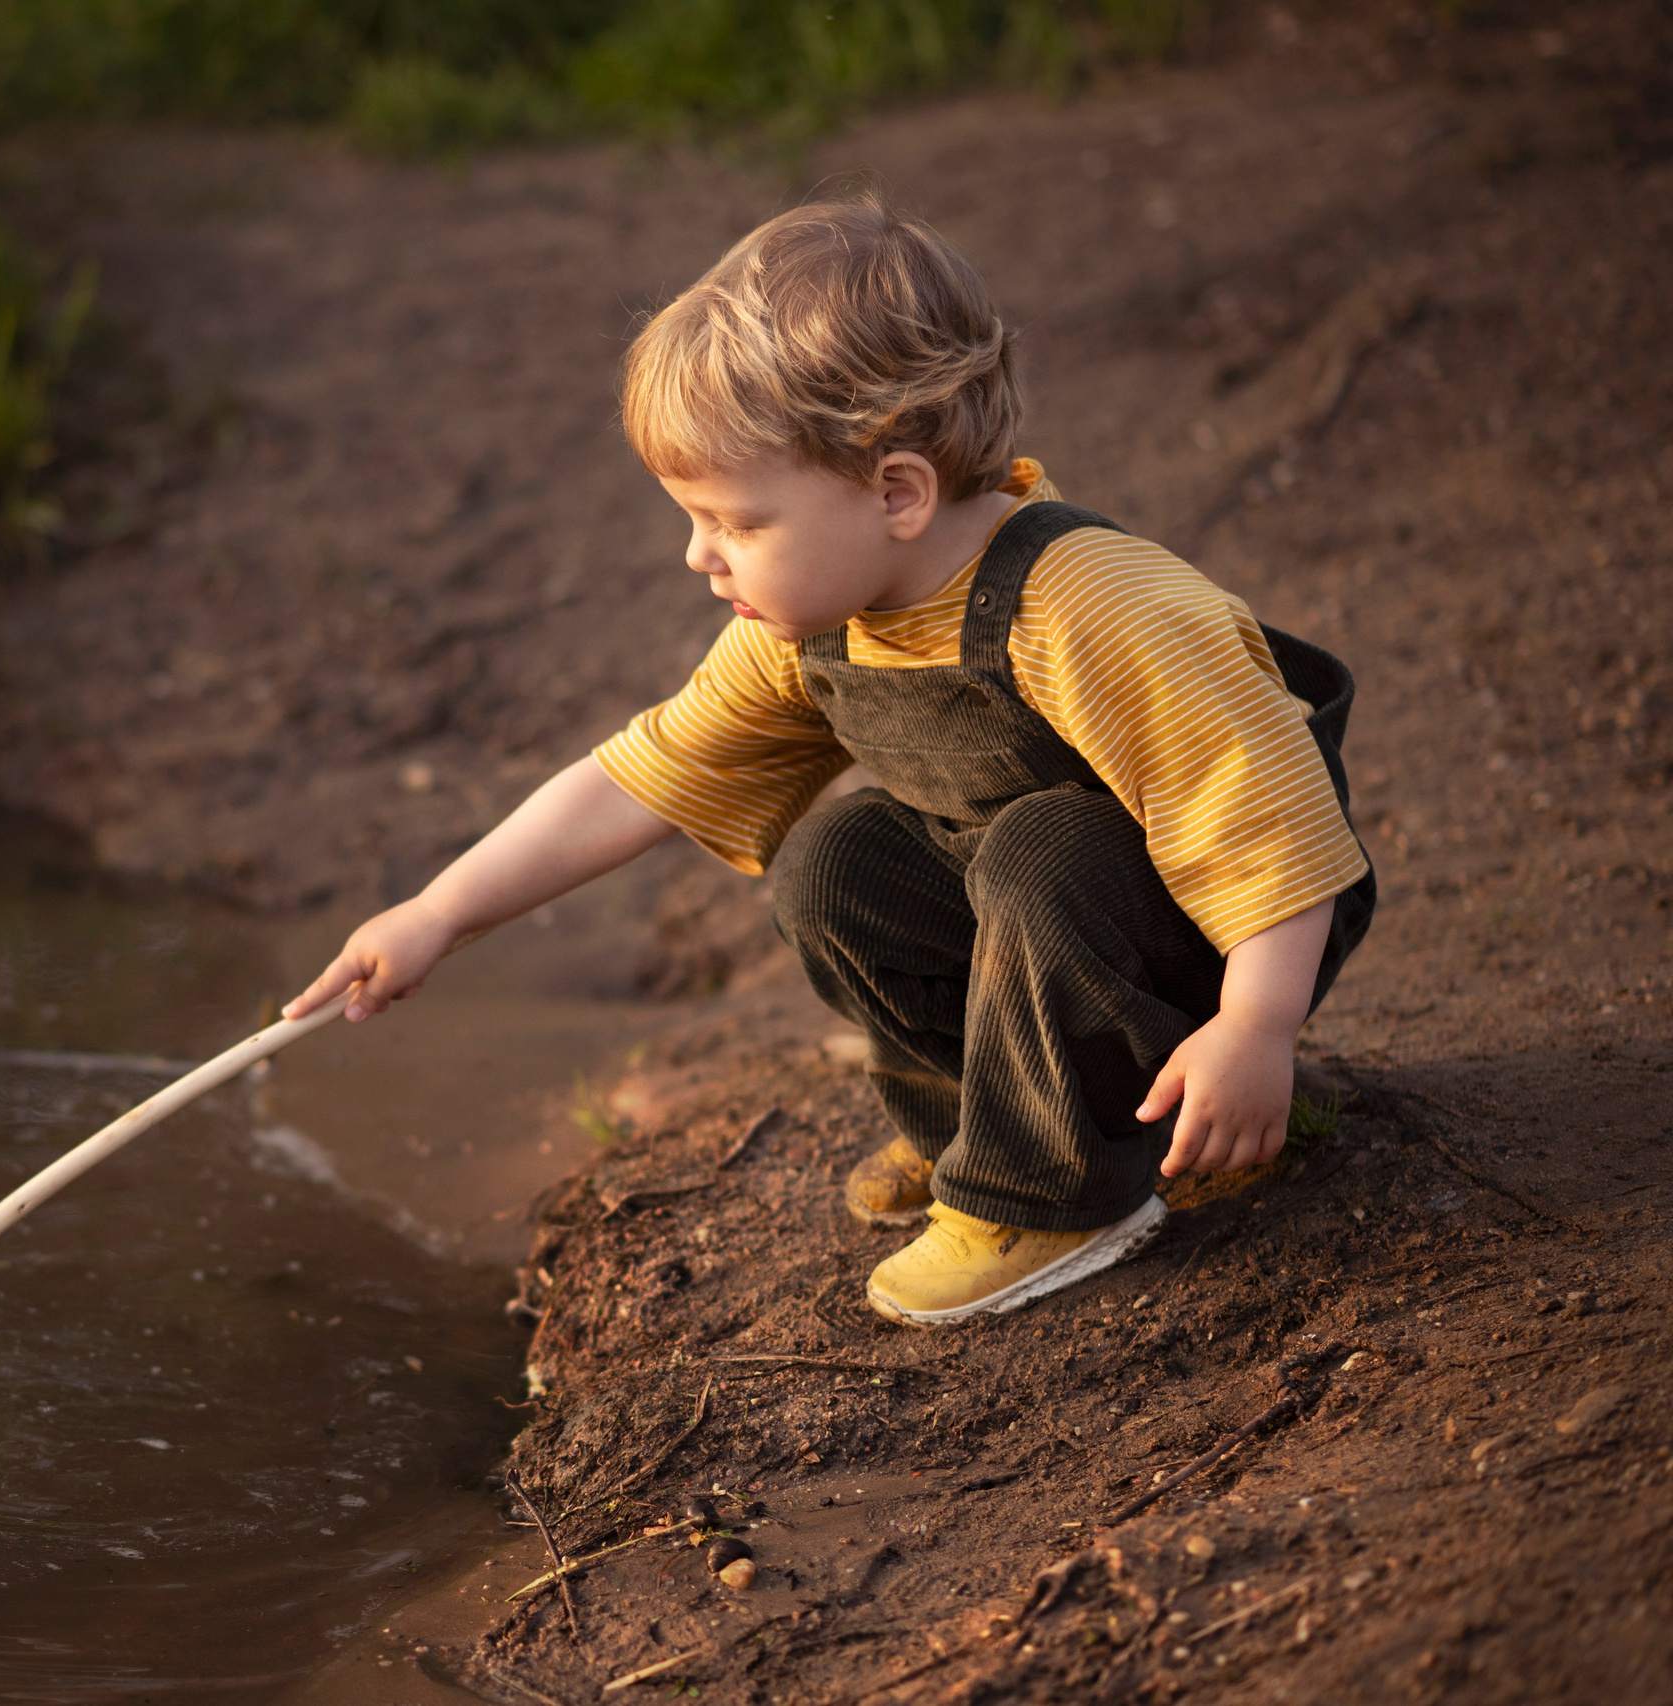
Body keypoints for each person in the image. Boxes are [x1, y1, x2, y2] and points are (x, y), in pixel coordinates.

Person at [284, 194, 1374, 1325]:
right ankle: (980, 1123)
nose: (697, 554)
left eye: (737, 521)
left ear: (895, 492)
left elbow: (1264, 819)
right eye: (693, 517)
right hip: (1046, 921)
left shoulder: (1085, 605)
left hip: (1227, 931)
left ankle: (1050, 1192)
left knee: (1041, 845)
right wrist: (438, 913)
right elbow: (636, 775)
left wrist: (1253, 1029)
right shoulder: (814, 624)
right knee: (834, 857)